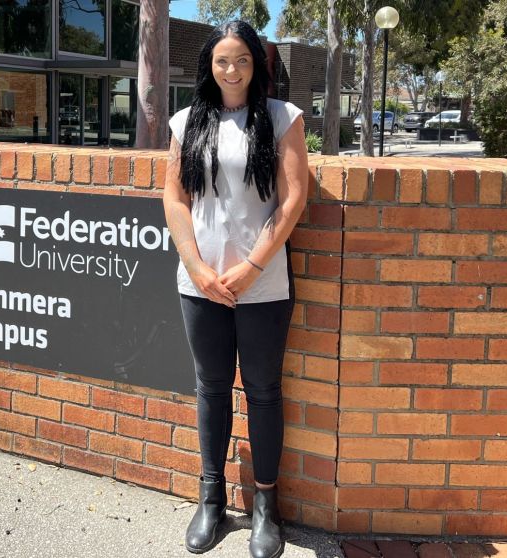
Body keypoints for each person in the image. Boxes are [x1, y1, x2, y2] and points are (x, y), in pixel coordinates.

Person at [162, 20, 308, 558]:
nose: (232, 70)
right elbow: (175, 201)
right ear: (209, 65)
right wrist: (197, 267)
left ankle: (267, 506)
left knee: (263, 391)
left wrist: (251, 266)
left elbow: (293, 201)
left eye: (242, 60)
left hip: (263, 284)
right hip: (200, 284)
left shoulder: (280, 118)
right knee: (211, 388)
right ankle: (212, 500)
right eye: (223, 60)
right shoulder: (186, 121)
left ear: (257, 65)